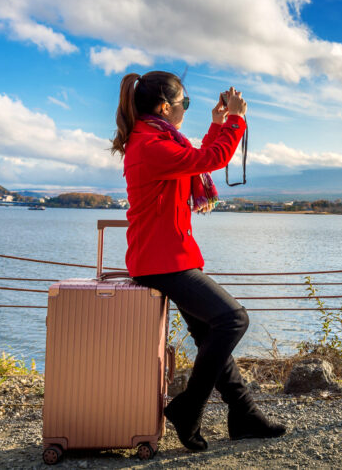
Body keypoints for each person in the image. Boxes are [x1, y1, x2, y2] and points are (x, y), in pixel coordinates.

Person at [111, 70, 286, 451]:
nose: (185, 111)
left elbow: (194, 161)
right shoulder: (152, 146)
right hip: (164, 260)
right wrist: (237, 120)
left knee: (210, 335)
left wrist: (217, 123)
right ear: (164, 107)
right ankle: (189, 407)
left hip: (165, 255)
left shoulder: (154, 139)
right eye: (183, 104)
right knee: (233, 319)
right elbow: (210, 157)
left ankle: (244, 415)